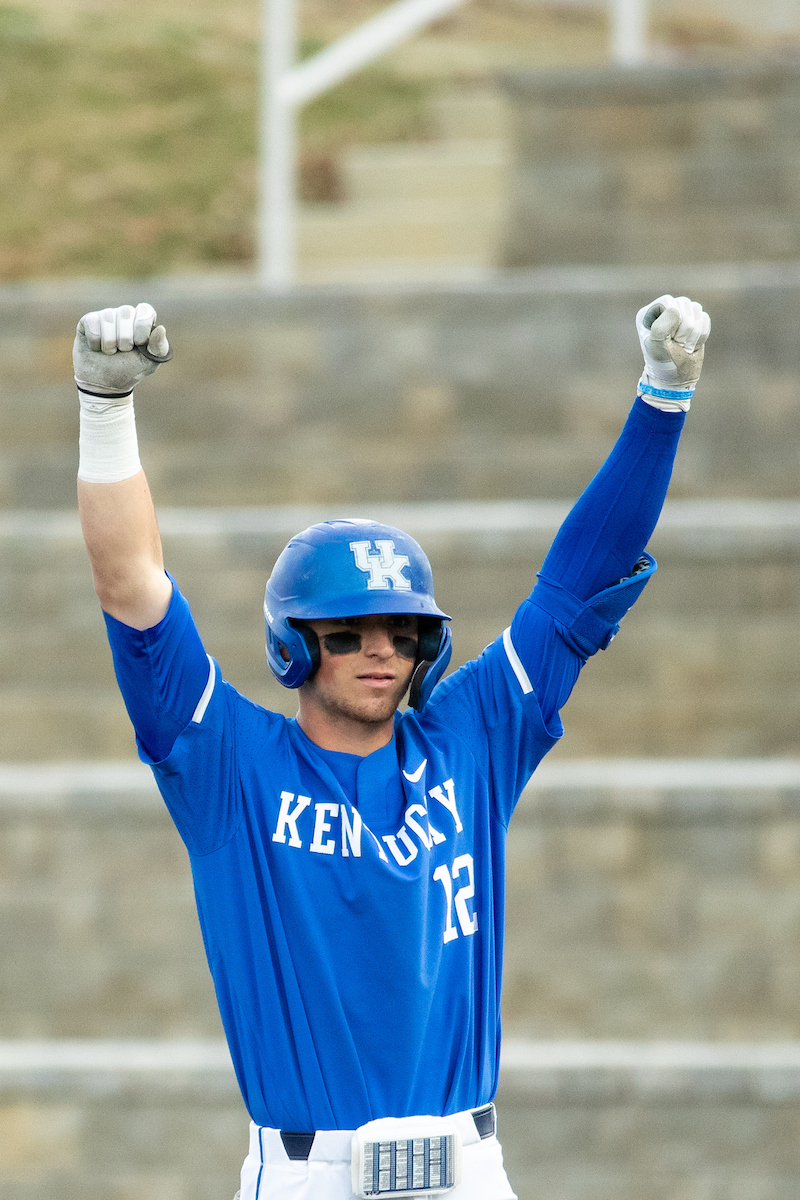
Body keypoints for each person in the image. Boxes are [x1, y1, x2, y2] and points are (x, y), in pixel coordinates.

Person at [72, 295, 710, 1200]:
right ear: (293, 646)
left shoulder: (470, 740)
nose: (382, 649)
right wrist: (105, 411)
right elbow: (132, 586)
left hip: (470, 1168)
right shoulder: (231, 766)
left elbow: (578, 586)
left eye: (405, 632)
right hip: (306, 1173)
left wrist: (663, 397)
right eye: (349, 630)